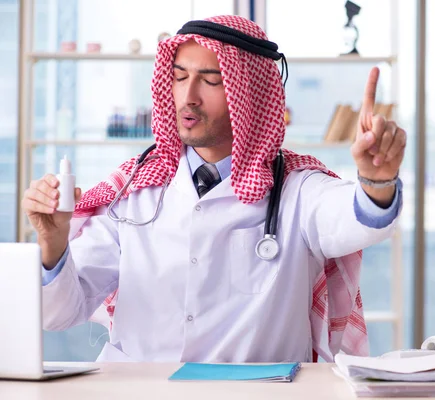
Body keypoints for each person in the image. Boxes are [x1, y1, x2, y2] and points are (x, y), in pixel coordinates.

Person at [21, 15, 407, 363]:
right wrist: (53, 246)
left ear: (251, 96)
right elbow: (58, 314)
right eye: (179, 77)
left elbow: (354, 217)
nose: (188, 96)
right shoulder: (134, 189)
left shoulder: (296, 187)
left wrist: (376, 180)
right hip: (139, 390)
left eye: (210, 81)